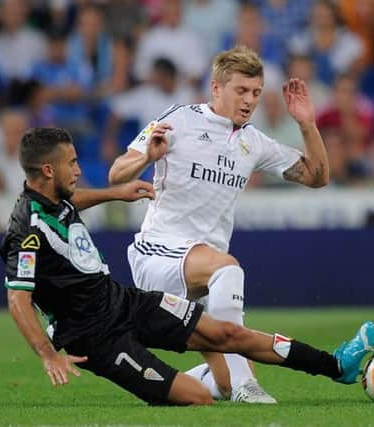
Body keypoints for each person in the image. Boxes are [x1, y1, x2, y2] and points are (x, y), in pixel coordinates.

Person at [2, 127, 374, 405]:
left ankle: (335, 365)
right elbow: (18, 300)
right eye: (71, 163)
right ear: (48, 171)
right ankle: (217, 383)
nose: (78, 170)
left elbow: (70, 202)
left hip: (122, 301)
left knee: (229, 335)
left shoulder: (54, 198)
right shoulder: (26, 230)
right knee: (199, 398)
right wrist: (48, 355)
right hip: (95, 337)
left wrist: (116, 192)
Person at [108, 45, 330, 403]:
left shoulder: (253, 142)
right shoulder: (179, 119)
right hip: (158, 253)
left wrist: (306, 124)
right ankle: (248, 387)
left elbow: (316, 176)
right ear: (216, 88)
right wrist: (147, 155)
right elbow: (116, 172)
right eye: (241, 91)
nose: (249, 100)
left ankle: (180, 385)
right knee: (229, 268)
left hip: (203, 275)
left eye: (256, 93)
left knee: (220, 384)